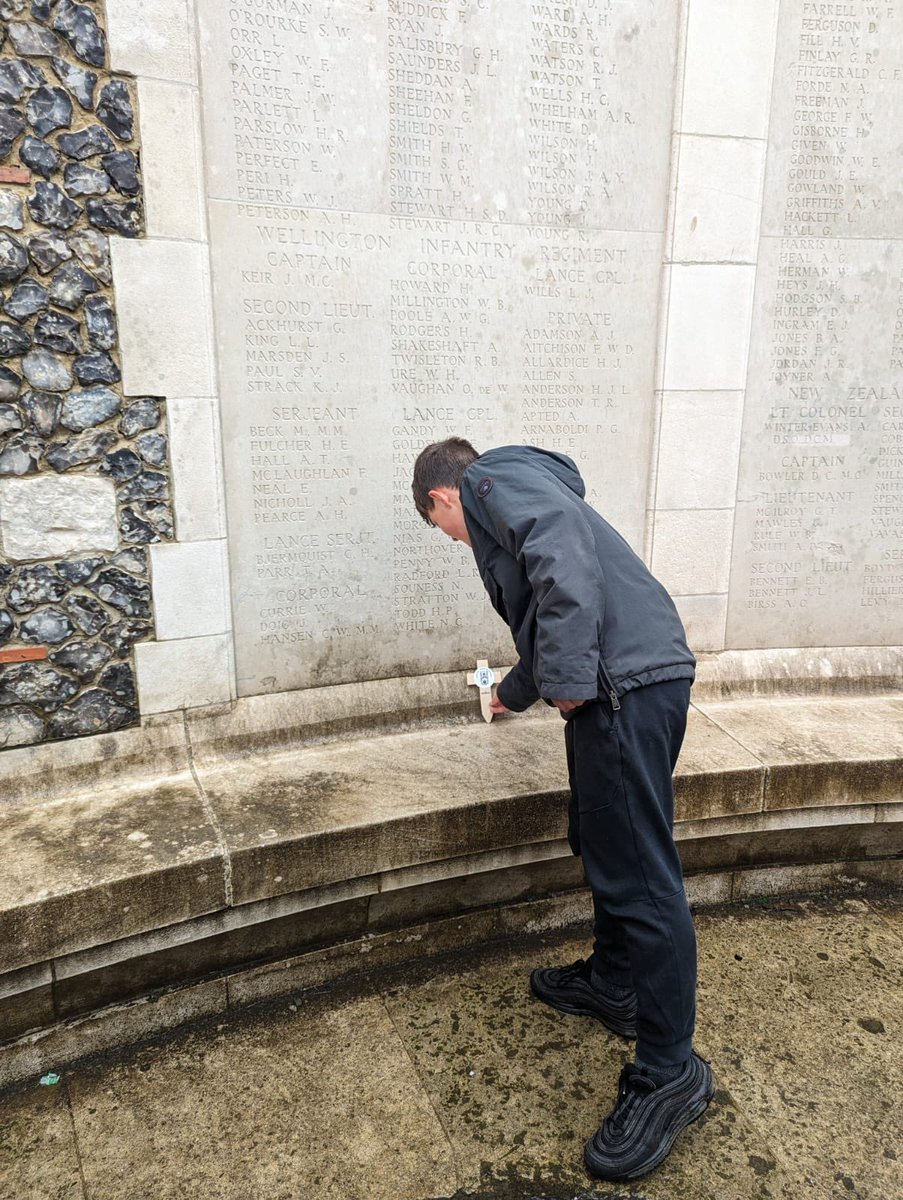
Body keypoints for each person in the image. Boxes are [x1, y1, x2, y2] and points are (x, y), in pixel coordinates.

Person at [411, 437, 714, 1182]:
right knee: (609, 848)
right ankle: (614, 984)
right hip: (632, 679)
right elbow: (553, 608)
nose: (455, 542)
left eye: (439, 528)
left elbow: (560, 555)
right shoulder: (522, 485)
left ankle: (670, 1071)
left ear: (442, 498)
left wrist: (572, 678)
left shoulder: (490, 478)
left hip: (619, 687)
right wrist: (510, 697)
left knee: (641, 877)